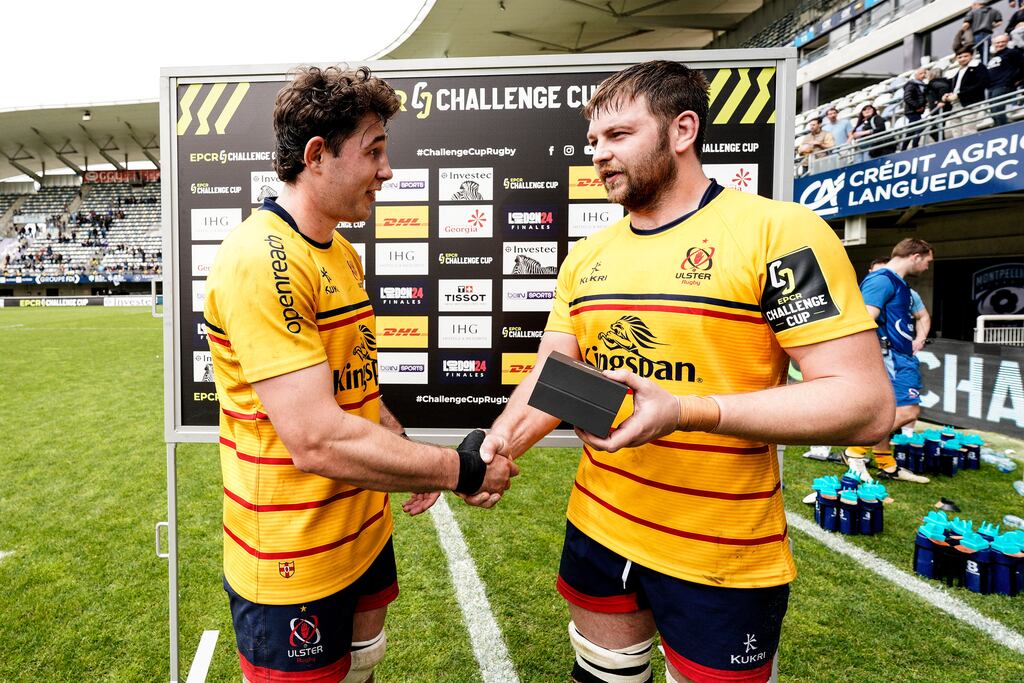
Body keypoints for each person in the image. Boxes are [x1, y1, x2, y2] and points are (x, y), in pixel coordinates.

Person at [452, 60, 893, 683]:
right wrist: (493, 453)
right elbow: (558, 378)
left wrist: (688, 410)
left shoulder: (780, 233)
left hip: (723, 550)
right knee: (604, 673)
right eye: (594, 141)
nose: (600, 156)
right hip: (598, 524)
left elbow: (864, 403)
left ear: (682, 129)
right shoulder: (588, 256)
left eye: (619, 135)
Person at [202, 65, 517, 683]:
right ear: (317, 155)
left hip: (362, 529)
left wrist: (397, 450)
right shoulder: (259, 260)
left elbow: (352, 387)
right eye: (374, 150)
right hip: (293, 555)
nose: (388, 169)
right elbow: (317, 439)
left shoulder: (339, 248)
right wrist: (458, 468)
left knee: (364, 667)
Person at [845, 240, 935, 484]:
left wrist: (918, 340)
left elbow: (921, 317)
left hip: (899, 355)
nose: (928, 267)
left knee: (888, 412)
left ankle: (887, 464)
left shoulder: (900, 285)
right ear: (916, 256)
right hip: (889, 357)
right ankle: (854, 451)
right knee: (909, 410)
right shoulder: (882, 279)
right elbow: (864, 319)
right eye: (928, 260)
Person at [943, 47, 990, 138]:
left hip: (970, 104)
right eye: (960, 57)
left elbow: (982, 83)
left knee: (968, 132)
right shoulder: (959, 71)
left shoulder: (978, 66)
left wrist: (959, 95)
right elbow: (956, 88)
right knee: (956, 133)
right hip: (955, 105)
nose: (962, 59)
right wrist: (948, 94)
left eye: (965, 56)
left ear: (971, 56)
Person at [986, 34, 1023, 127]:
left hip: (1003, 85)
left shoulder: (1012, 52)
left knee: (997, 110)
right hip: (992, 88)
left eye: (1003, 42)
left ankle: (1004, 130)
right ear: (994, 44)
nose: (1000, 44)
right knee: (993, 112)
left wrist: (1015, 79)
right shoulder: (993, 56)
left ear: (1007, 42)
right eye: (998, 42)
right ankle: (1000, 128)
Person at [901, 68, 929, 149]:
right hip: (912, 111)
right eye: (921, 73)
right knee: (917, 128)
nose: (923, 75)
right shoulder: (911, 85)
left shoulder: (921, 85)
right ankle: (913, 146)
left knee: (912, 129)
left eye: (924, 73)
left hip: (917, 111)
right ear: (916, 75)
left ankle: (905, 147)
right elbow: (907, 98)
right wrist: (917, 106)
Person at [925, 66, 954, 142]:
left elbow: (943, 89)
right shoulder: (939, 82)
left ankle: (942, 142)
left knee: (934, 128)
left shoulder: (935, 83)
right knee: (937, 127)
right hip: (938, 109)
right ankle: (942, 141)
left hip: (940, 109)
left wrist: (940, 101)